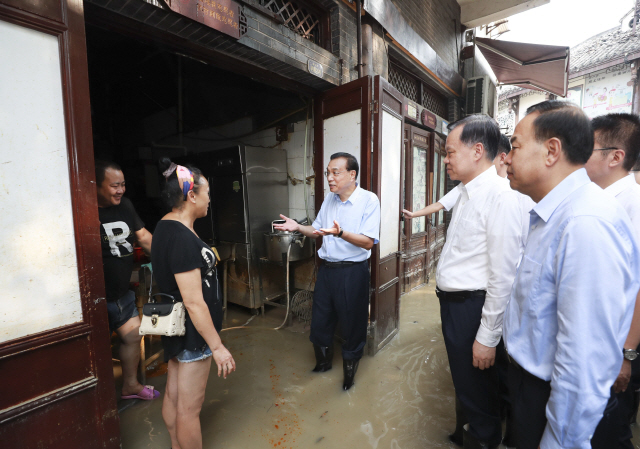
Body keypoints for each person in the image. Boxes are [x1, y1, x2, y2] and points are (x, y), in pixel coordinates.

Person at [503, 101, 640, 449]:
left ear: (551, 151)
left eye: (515, 146)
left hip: (547, 399)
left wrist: (561, 441)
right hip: (527, 387)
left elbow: (583, 358)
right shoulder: (555, 212)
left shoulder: (585, 223)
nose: (506, 158)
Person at [434, 116, 524, 449]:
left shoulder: (500, 196)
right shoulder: (468, 193)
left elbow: (504, 275)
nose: (446, 159)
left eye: (449, 152)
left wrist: (486, 337)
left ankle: (485, 440)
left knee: (479, 394)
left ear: (477, 151)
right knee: (469, 387)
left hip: (472, 309)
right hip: (457, 308)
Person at [274, 152, 380, 391]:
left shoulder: (369, 200)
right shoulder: (329, 200)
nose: (329, 178)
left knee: (353, 323)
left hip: (352, 272)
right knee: (320, 319)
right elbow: (317, 230)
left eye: (335, 172)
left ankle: (349, 377)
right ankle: (322, 365)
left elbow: (368, 242)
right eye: (327, 173)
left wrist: (341, 233)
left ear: (352, 175)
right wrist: (298, 227)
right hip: (327, 271)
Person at [151, 159, 236, 449]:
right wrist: (217, 346)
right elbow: (194, 302)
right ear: (191, 195)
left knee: (174, 398)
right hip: (192, 333)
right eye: (207, 192)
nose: (210, 198)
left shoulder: (165, 226)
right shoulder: (183, 239)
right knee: (189, 410)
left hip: (174, 328)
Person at [584, 113, 640, 449]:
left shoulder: (631, 206)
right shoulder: (604, 200)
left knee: (612, 434)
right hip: (600, 342)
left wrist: (627, 353)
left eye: (588, 149)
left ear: (615, 157)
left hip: (617, 346)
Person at [96, 160, 158, 401]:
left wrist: (170, 256)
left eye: (122, 184)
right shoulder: (83, 211)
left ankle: (130, 385)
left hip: (121, 294)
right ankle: (98, 402)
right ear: (96, 186)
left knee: (133, 336)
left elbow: (143, 237)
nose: (120, 190)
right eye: (114, 186)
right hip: (95, 299)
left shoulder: (126, 206)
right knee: (96, 351)